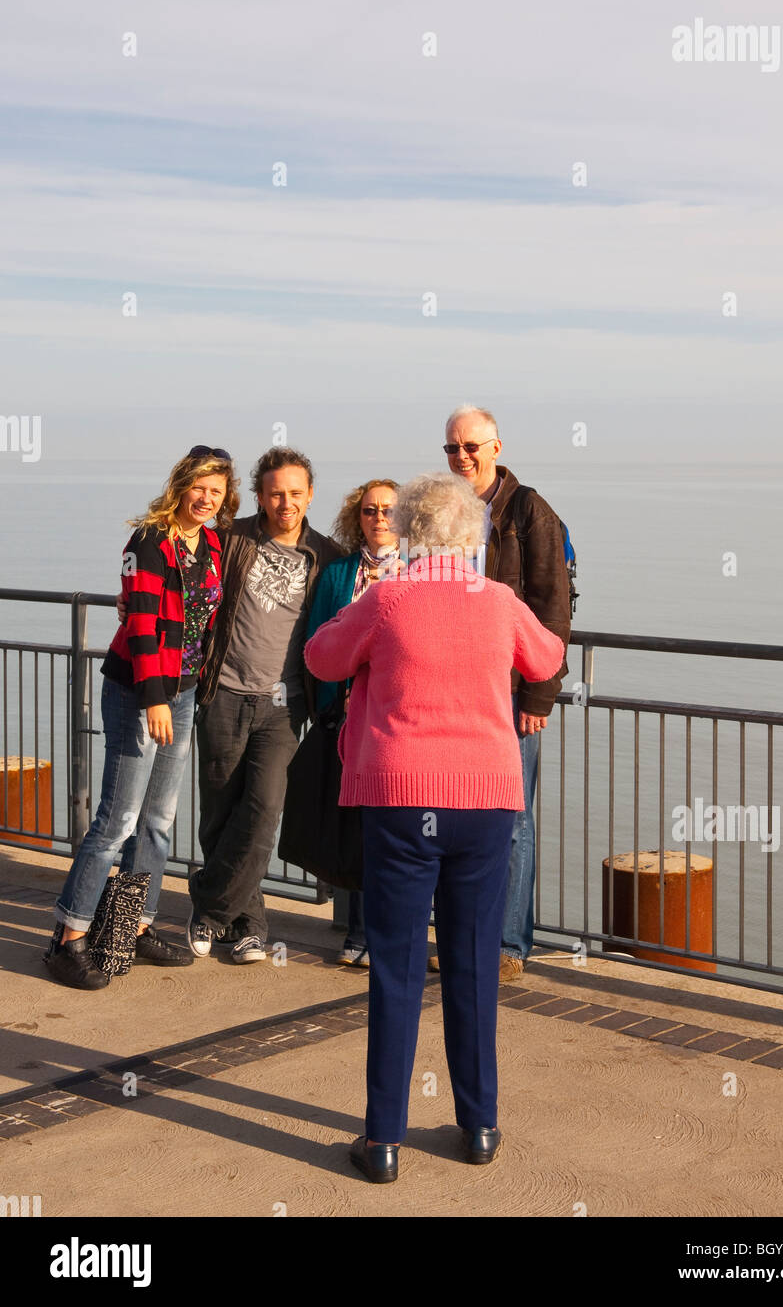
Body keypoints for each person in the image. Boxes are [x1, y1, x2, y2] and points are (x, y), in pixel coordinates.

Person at [304, 472, 565, 1183]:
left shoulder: (386, 597)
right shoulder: (500, 601)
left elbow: (321, 657)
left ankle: (382, 1141)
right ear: (473, 534)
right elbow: (546, 657)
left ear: (414, 533)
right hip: (484, 800)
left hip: (399, 798)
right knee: (474, 963)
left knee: (393, 965)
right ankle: (478, 1126)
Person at [46, 448, 238, 990]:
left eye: (216, 492)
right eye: (199, 487)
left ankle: (132, 927)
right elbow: (143, 627)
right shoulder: (151, 542)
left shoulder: (213, 544)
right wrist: (155, 698)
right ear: (180, 486)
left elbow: (202, 623)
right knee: (117, 821)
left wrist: (180, 692)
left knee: (157, 819)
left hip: (182, 690)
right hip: (139, 690)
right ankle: (68, 936)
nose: (206, 499)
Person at [187, 447, 342, 963]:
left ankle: (208, 909)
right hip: (223, 695)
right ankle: (249, 926)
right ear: (259, 496)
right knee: (220, 814)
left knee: (263, 810)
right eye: (276, 493)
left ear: (310, 495)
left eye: (296, 493)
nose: (286, 502)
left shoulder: (328, 556)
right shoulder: (231, 539)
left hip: (284, 705)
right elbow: (181, 570)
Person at [442, 405, 571, 981]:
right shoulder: (448, 511)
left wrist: (540, 698)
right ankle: (467, 939)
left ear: (496, 447)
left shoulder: (529, 512)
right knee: (462, 818)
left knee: (513, 818)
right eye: (453, 448)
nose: (462, 457)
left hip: (513, 693)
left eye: (472, 446)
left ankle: (510, 946)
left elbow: (553, 609)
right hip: (456, 694)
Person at [304, 479, 400, 967]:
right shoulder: (339, 573)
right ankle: (360, 933)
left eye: (388, 509)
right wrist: (324, 708)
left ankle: (393, 935)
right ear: (356, 518)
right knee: (360, 826)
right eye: (369, 511)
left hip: (400, 720)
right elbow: (319, 638)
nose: (379, 518)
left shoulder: (421, 571)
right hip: (348, 719)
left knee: (396, 827)